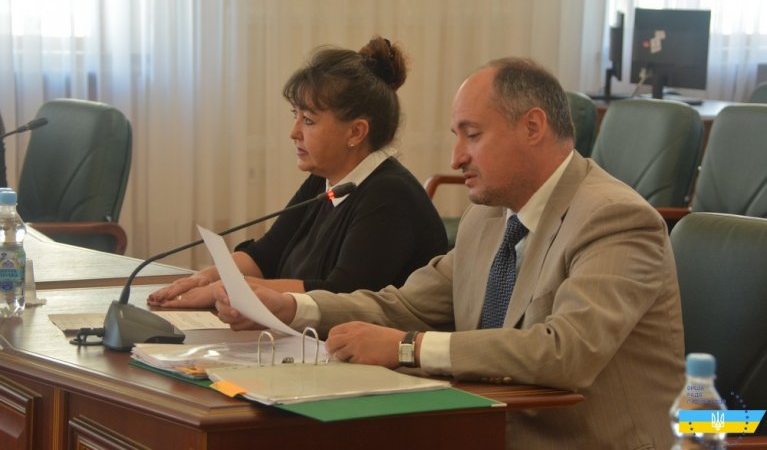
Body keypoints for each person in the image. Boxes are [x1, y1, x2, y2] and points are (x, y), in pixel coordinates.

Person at [213, 57, 686, 449]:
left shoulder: (614, 218)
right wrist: (292, 308)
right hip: (480, 428)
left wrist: (406, 347)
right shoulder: (488, 217)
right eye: (456, 136)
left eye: (472, 135)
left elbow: (567, 352)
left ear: (533, 127)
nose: (456, 158)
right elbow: (406, 305)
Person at [148, 36, 448, 308]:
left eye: (309, 120)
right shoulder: (322, 180)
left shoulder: (390, 196)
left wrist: (227, 290)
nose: (294, 132)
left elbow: (340, 296)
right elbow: (266, 255)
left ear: (356, 132)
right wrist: (204, 278)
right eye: (296, 116)